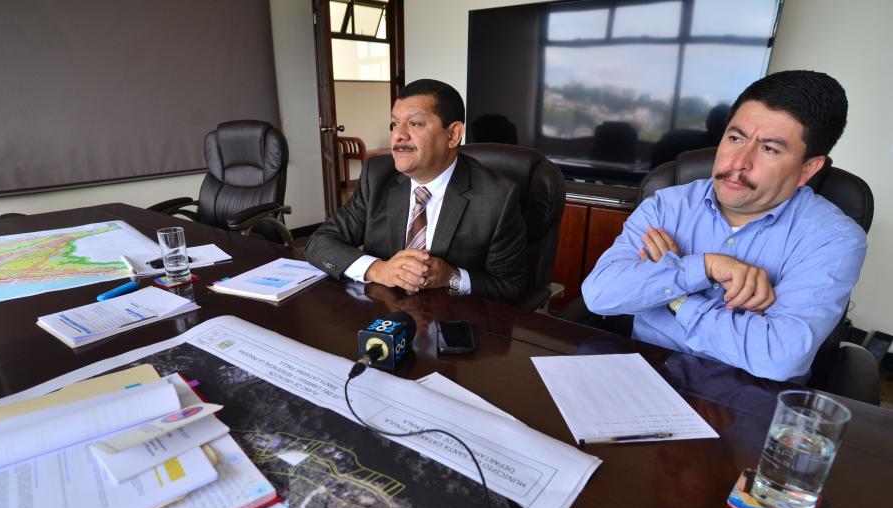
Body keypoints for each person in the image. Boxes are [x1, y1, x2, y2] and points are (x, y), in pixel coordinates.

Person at [581, 70, 868, 382]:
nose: (738, 161)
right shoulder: (667, 205)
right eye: (735, 138)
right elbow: (600, 295)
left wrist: (677, 296)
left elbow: (777, 358)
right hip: (644, 376)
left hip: (746, 403)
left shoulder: (832, 239)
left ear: (808, 168)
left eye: (769, 148)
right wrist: (704, 266)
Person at [305, 79, 528, 304]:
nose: (398, 135)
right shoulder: (378, 176)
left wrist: (452, 277)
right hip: (382, 316)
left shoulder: (497, 197)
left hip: (454, 323)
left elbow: (512, 286)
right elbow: (320, 242)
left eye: (414, 123)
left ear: (452, 135)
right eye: (394, 124)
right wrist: (378, 269)